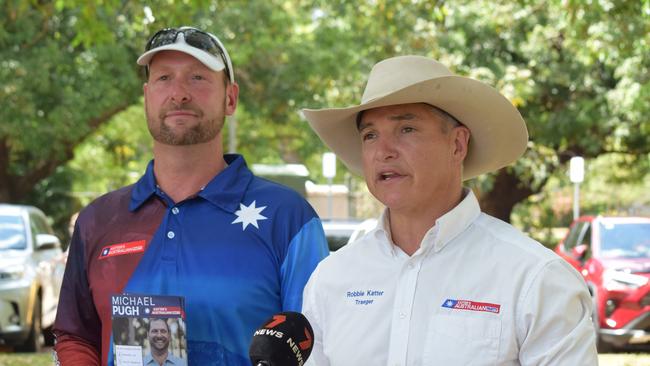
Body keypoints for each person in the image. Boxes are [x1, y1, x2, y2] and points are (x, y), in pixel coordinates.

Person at [53, 26, 329, 366]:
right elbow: (75, 335)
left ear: (230, 98)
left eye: (198, 77)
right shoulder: (98, 220)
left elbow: (320, 343)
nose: (179, 93)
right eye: (164, 78)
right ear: (146, 96)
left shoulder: (290, 218)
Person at [301, 55, 597, 365]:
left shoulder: (536, 278)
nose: (383, 152)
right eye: (370, 135)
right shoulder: (331, 278)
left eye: (406, 129)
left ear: (457, 144)